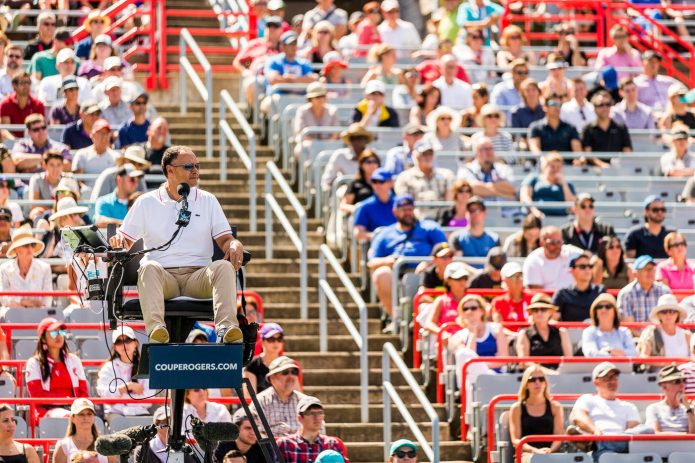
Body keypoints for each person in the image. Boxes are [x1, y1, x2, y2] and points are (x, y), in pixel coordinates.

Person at [110, 146, 245, 344]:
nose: (195, 171)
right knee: (147, 267)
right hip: (164, 278)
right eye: (189, 166)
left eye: (197, 166)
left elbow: (225, 240)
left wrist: (234, 244)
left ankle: (226, 329)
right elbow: (125, 240)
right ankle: (157, 331)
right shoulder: (146, 202)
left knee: (223, 267)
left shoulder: (208, 200)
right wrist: (119, 241)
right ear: (170, 170)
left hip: (198, 277)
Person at [368, 194, 447, 322]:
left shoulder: (429, 227)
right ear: (395, 211)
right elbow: (372, 262)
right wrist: (388, 260)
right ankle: (395, 320)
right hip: (397, 274)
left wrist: (429, 262)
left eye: (410, 209)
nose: (408, 213)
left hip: (427, 273)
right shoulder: (385, 234)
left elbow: (444, 249)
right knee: (381, 274)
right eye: (404, 210)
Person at [569, 362, 654, 460]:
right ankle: (600, 444)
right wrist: (595, 431)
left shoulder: (628, 406)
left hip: (620, 449)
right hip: (602, 452)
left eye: (615, 378)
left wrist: (604, 439)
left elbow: (632, 436)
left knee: (648, 430)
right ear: (596, 382)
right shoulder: (587, 399)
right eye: (607, 378)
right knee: (609, 456)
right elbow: (578, 417)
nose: (612, 382)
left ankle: (598, 444)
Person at [25, 319, 88, 418]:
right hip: (46, 410)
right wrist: (64, 400)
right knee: (70, 417)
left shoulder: (74, 360)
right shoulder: (34, 363)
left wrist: (79, 406)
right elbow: (37, 395)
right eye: (54, 333)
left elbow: (83, 392)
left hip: (74, 408)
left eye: (61, 332)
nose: (59, 336)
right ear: (43, 339)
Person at [448, 294, 509, 388]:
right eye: (465, 309)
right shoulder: (459, 336)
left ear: (482, 310)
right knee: (462, 354)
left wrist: (480, 366)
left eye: (473, 308)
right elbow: (466, 359)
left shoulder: (495, 329)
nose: (469, 311)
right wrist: (473, 334)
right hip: (472, 379)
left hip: (495, 375)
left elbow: (503, 359)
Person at [509, 365, 564, 462]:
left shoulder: (556, 407)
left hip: (550, 455)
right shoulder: (516, 408)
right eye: (532, 379)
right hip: (526, 455)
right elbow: (516, 440)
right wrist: (535, 451)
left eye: (541, 379)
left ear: (545, 383)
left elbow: (558, 437)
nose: (537, 382)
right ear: (526, 384)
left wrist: (550, 450)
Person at [96, 325, 152, 419]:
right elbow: (103, 393)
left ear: (136, 343)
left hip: (141, 414)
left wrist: (119, 396)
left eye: (128, 340)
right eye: (119, 342)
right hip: (116, 414)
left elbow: (149, 398)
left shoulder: (145, 366)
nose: (124, 344)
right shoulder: (108, 367)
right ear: (115, 347)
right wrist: (127, 387)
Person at [394, 140, 455, 220]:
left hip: (442, 221)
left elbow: (450, 204)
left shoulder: (446, 175)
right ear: (416, 156)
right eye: (424, 154)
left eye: (430, 154)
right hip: (415, 222)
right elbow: (404, 203)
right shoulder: (404, 177)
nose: (428, 157)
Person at [276, 396, 347, 463]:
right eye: (311, 413)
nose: (317, 417)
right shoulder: (285, 444)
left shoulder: (333, 444)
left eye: (320, 413)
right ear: (300, 418)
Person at [250, 356, 307, 438]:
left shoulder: (304, 401)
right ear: (272, 378)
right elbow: (253, 432)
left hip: (300, 449)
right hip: (271, 448)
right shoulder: (260, 401)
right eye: (285, 372)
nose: (291, 376)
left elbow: (318, 431)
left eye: (294, 372)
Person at [0, 224, 52, 308]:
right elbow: (3, 298)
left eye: (32, 245)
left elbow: (48, 299)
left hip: (38, 313)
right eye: (25, 245)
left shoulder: (45, 268)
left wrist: (19, 302)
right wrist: (24, 302)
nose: (30, 248)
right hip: (13, 313)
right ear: (16, 249)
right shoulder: (4, 269)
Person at [516, 294, 572, 369]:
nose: (539, 313)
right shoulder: (524, 334)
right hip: (536, 378)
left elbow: (569, 359)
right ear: (531, 313)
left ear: (550, 312)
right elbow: (523, 362)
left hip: (560, 375)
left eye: (543, 309)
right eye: (535, 310)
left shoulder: (561, 332)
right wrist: (546, 372)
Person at [53, 399, 113, 463]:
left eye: (89, 414)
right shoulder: (63, 446)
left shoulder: (106, 445)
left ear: (93, 418)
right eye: (81, 414)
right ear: (72, 418)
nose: (86, 417)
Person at [523, 226, 582, 290]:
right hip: (546, 298)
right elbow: (536, 293)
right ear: (542, 243)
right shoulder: (533, 261)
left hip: (575, 297)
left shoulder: (570, 252)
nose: (557, 246)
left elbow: (590, 258)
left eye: (559, 242)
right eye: (552, 243)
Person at [458, 136, 515, 202]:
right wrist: (501, 192)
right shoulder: (466, 169)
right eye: (485, 149)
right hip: (477, 211)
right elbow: (472, 188)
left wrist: (483, 188)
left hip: (506, 211)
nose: (489, 152)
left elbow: (511, 189)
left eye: (491, 148)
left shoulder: (504, 168)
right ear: (477, 151)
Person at [581, 91, 632, 165]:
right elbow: (587, 153)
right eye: (601, 105)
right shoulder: (588, 128)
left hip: (617, 171)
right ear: (594, 107)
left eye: (608, 104)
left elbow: (627, 150)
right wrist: (602, 165)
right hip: (594, 172)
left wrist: (617, 163)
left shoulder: (621, 128)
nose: (605, 108)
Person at [617, 255, 672, 323]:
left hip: (660, 332)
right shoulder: (626, 294)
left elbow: (670, 321)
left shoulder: (665, 291)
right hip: (635, 333)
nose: (650, 272)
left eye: (652, 269)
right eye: (646, 269)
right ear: (636, 273)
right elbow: (629, 325)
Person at [552, 252, 606, 322]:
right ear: (572, 271)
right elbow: (553, 320)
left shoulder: (600, 291)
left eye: (590, 266)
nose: (587, 270)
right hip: (569, 332)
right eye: (582, 267)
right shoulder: (562, 293)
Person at [520, 152, 576, 217]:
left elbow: (571, 205)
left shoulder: (567, 184)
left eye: (558, 167)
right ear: (545, 166)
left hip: (560, 217)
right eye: (552, 166)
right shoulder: (534, 178)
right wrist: (534, 211)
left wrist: (564, 184)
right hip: (536, 217)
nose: (555, 170)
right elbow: (524, 196)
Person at [320, 124, 373, 192]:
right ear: (350, 140)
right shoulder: (339, 155)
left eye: (360, 138)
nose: (357, 141)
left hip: (368, 192)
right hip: (345, 193)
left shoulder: (372, 156)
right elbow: (327, 180)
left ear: (365, 140)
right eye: (353, 138)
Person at [581, 293, 636, 358]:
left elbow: (633, 353)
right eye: (599, 307)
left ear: (615, 312)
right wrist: (612, 353)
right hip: (598, 367)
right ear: (595, 312)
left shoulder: (624, 331)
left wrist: (607, 352)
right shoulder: (589, 332)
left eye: (608, 306)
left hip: (623, 368)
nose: (603, 310)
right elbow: (590, 354)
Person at [638, 294, 691, 361]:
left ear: (678, 314)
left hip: (684, 370)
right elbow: (643, 357)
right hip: (659, 371)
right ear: (658, 315)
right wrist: (667, 364)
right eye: (664, 312)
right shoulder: (650, 333)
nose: (668, 315)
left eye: (672, 311)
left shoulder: (687, 335)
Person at [292, 82, 338, 158]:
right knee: (299, 150)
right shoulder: (302, 111)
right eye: (317, 97)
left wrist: (326, 144)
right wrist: (317, 144)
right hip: (309, 144)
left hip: (329, 144)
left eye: (323, 96)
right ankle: (306, 169)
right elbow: (300, 131)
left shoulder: (333, 110)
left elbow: (335, 133)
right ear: (310, 99)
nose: (321, 99)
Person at [263, 31, 316, 98]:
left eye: (295, 44)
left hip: (300, 99)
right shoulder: (273, 61)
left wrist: (287, 78)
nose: (293, 47)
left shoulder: (304, 63)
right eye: (290, 44)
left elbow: (311, 80)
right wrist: (300, 81)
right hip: (278, 98)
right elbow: (274, 80)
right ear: (283, 46)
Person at [423, 261, 469, 336]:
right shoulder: (441, 300)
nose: (463, 282)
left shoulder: (474, 299)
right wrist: (442, 333)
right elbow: (428, 324)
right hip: (447, 345)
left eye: (465, 278)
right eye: (458, 279)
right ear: (448, 281)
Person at [646, 364, 695, 433]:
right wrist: (684, 435)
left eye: (684, 380)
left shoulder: (690, 409)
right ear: (664, 387)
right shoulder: (653, 408)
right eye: (677, 382)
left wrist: (688, 408)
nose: (682, 385)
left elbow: (693, 436)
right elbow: (656, 434)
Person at [71, 119, 119, 186]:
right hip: (86, 195)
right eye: (100, 133)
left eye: (106, 133)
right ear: (92, 134)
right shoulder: (81, 155)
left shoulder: (116, 157)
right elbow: (77, 182)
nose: (104, 136)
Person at [352, 168, 396, 242]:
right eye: (374, 181)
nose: (377, 185)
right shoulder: (364, 206)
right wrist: (378, 237)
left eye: (381, 181)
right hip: (376, 247)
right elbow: (358, 233)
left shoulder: (400, 204)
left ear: (391, 183)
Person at [0, 72, 46, 138]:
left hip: (33, 142)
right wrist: (17, 143)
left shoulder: (38, 104)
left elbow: (39, 128)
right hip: (11, 144)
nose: (26, 85)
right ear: (14, 85)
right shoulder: (5, 104)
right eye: (23, 83)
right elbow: (6, 130)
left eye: (28, 83)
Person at [243, 322, 285, 393]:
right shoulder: (252, 365)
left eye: (279, 339)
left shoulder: (288, 364)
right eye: (271, 339)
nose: (276, 343)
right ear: (262, 341)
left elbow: (297, 396)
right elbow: (250, 397)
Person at [340, 150, 380, 216]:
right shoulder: (355, 184)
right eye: (368, 162)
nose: (372, 164)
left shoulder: (385, 181)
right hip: (361, 220)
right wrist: (358, 209)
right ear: (361, 165)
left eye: (375, 161)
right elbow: (343, 205)